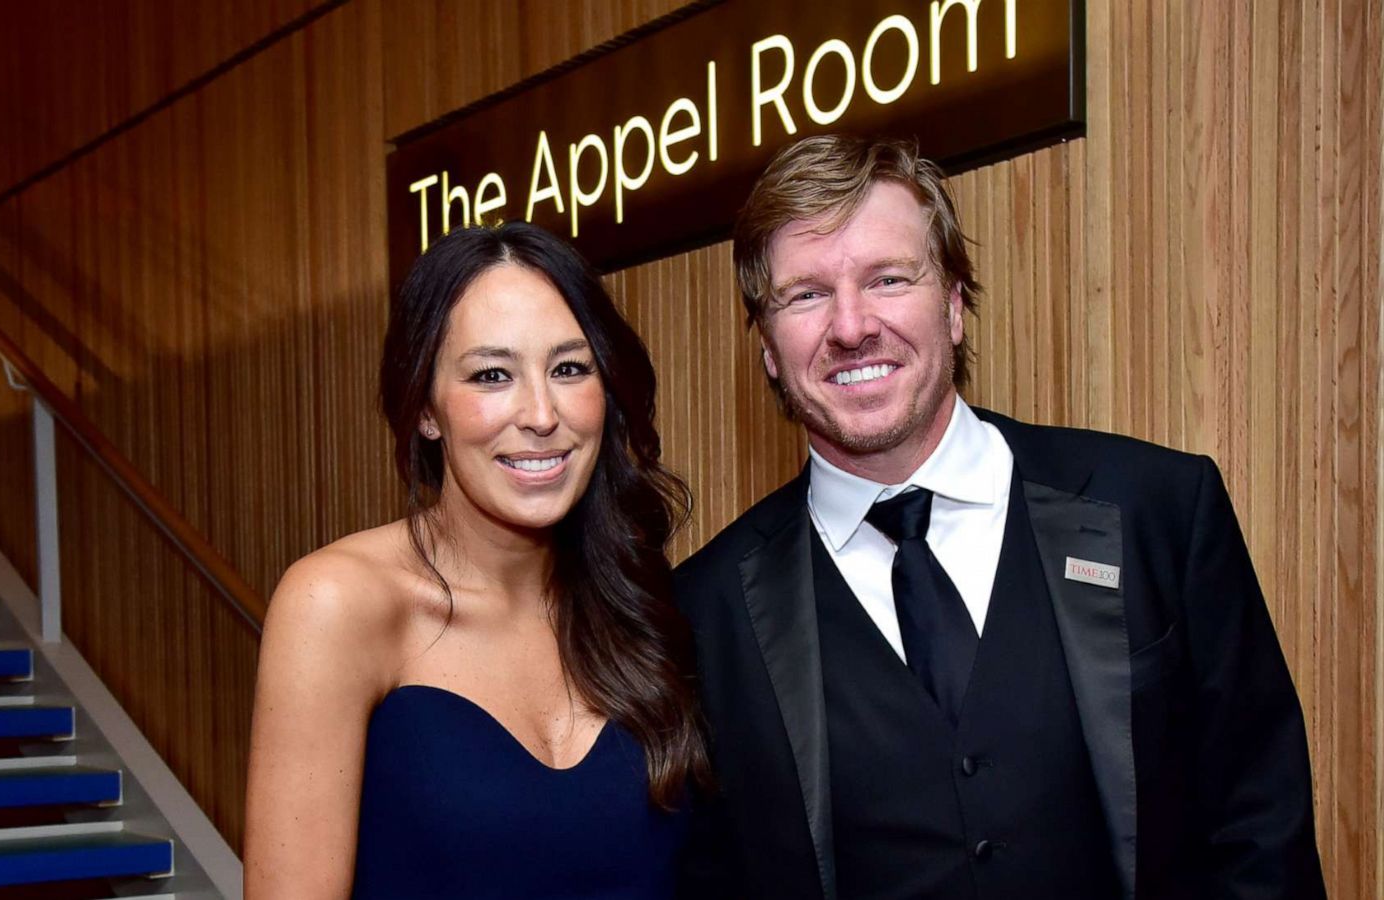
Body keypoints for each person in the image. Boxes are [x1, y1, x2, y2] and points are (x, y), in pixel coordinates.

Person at [675, 135, 1325, 899]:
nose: (851, 327)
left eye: (888, 278)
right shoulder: (704, 612)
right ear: (767, 350)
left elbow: (1260, 828)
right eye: (807, 295)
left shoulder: (1156, 510)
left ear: (953, 305)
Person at [244, 221, 706, 899]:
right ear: (426, 409)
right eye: (492, 374)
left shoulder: (636, 600)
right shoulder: (338, 602)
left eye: (569, 368)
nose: (542, 414)